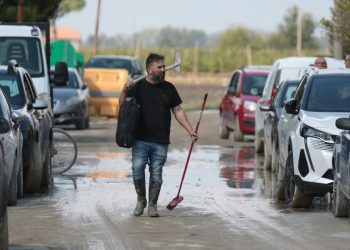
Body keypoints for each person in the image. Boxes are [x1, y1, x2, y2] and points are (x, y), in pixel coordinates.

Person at [119, 53, 198, 217]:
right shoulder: (137, 87)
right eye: (160, 67)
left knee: (156, 172)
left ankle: (153, 205)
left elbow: (178, 111)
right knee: (137, 169)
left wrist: (190, 130)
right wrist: (124, 91)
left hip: (161, 140)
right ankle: (141, 200)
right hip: (140, 138)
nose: (164, 70)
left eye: (164, 67)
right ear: (149, 69)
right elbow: (121, 105)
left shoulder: (169, 88)